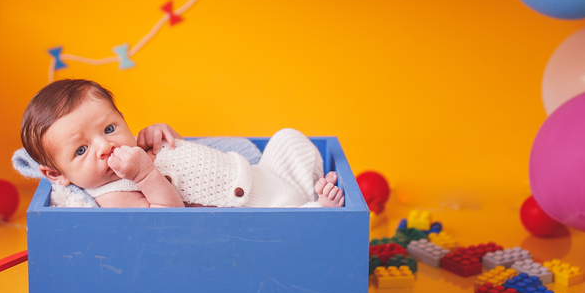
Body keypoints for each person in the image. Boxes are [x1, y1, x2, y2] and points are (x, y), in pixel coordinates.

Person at [19, 79, 345, 209]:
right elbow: (167, 218)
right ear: (56, 175)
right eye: (81, 150)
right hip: (253, 209)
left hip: (260, 175)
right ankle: (316, 210)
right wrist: (146, 175)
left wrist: (161, 135)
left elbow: (184, 156)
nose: (104, 146)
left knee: (289, 138)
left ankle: (311, 188)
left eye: (109, 127)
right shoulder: (112, 195)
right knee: (280, 233)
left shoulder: (135, 150)